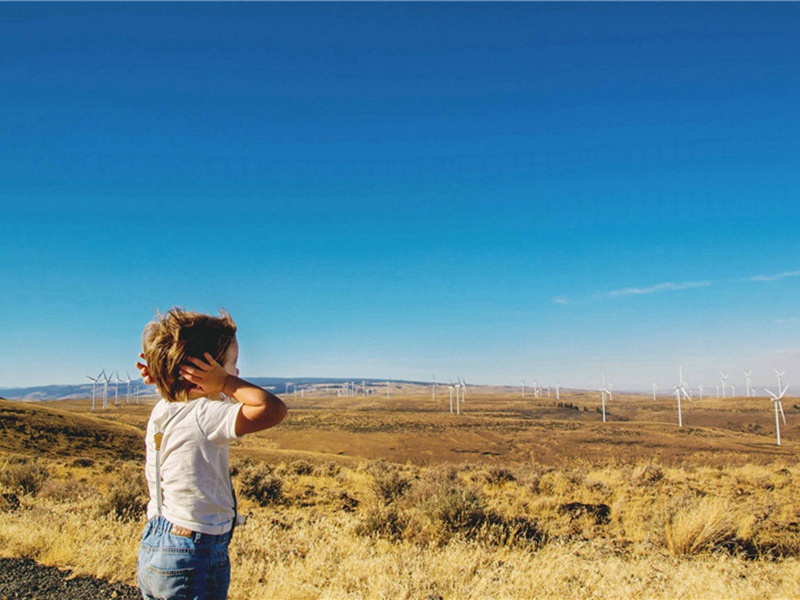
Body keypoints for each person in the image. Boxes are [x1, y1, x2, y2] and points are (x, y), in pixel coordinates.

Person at [135, 308, 287, 600]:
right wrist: (227, 384)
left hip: (154, 544)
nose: (237, 373)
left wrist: (166, 374)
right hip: (194, 551)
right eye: (231, 366)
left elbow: (181, 396)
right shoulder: (207, 413)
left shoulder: (163, 409)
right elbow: (273, 409)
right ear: (205, 373)